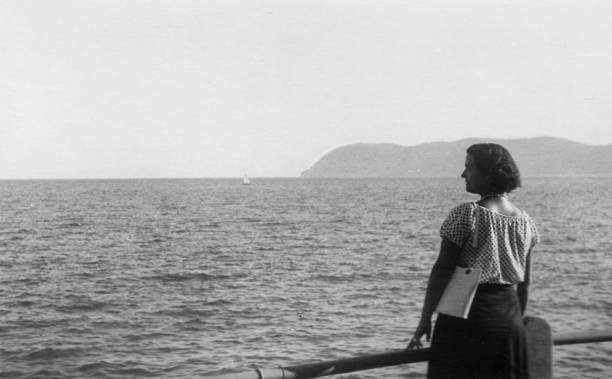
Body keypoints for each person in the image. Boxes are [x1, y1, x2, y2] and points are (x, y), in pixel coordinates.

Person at [406, 143, 540, 379]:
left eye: (469, 168)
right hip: (509, 319)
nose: (463, 174)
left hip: (467, 320)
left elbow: (441, 273)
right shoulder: (526, 222)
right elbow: (525, 284)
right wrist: (516, 324)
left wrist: (425, 319)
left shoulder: (467, 214)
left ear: (489, 173)